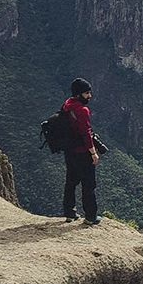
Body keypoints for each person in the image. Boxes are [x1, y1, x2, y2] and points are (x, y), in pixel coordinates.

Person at [61, 78, 100, 224]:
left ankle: (69, 212)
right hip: (82, 152)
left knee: (71, 181)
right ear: (78, 94)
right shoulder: (82, 110)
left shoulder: (67, 104)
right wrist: (93, 153)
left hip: (69, 151)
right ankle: (90, 216)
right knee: (88, 184)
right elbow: (86, 133)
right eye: (86, 93)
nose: (89, 96)